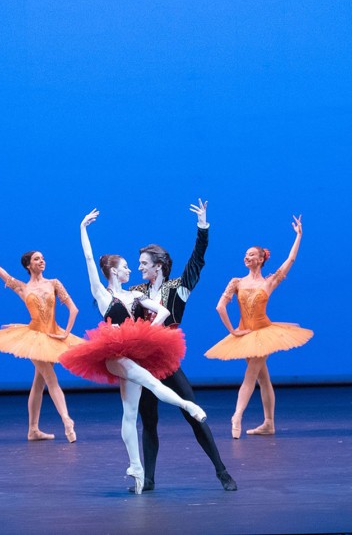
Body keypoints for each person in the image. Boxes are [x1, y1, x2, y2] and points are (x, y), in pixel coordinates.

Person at [59, 209, 207, 495]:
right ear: (114, 271)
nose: (131, 270)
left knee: (129, 414)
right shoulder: (103, 294)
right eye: (127, 266)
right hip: (114, 355)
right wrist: (82, 229)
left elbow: (163, 312)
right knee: (151, 382)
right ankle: (189, 406)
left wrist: (149, 332)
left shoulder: (136, 295)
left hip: (135, 353)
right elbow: (89, 259)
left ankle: (137, 470)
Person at [131, 199, 237, 492]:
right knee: (148, 421)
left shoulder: (178, 288)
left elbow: (197, 261)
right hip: (144, 364)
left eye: (144, 263)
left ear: (159, 266)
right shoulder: (136, 292)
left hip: (167, 361)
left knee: (192, 413)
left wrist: (202, 228)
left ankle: (221, 471)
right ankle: (148, 479)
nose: (140, 267)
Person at [206, 215, 312, 438]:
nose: (247, 257)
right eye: (246, 254)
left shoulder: (269, 282)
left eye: (252, 254)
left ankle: (237, 415)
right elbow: (219, 307)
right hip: (246, 334)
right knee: (263, 379)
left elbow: (290, 260)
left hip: (264, 333)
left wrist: (299, 236)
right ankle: (269, 424)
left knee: (251, 374)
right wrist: (233, 331)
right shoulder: (236, 282)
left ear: (262, 258)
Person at [0, 223, 84, 442]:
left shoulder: (54, 283)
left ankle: (33, 430)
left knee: (39, 382)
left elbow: (73, 309)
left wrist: (66, 333)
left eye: (43, 258)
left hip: (53, 336)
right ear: (28, 265)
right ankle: (67, 421)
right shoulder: (22, 287)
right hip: (34, 337)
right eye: (37, 259)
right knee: (50, 377)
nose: (42, 261)